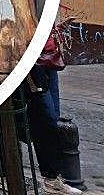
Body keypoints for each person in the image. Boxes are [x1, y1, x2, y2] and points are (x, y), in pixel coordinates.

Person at [26, 30, 80, 194]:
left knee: (53, 118)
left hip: (50, 59)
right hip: (33, 61)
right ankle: (50, 178)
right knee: (46, 117)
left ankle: (52, 178)